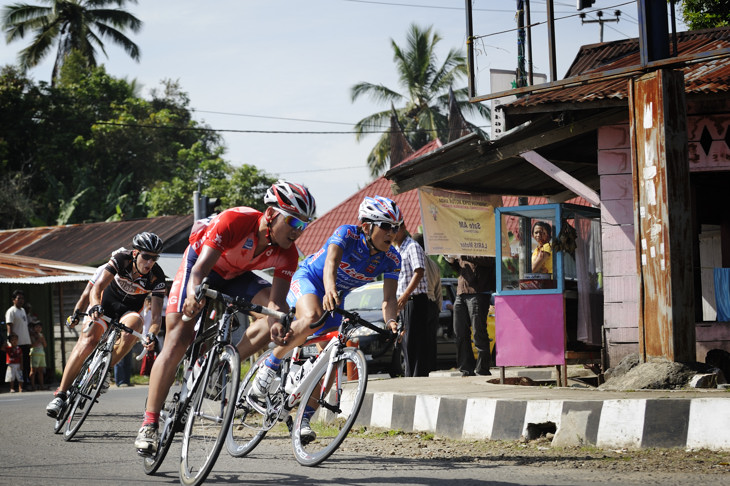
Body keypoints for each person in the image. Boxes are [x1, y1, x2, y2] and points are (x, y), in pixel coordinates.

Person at [135, 180, 316, 456]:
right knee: (178, 338)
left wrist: (277, 323)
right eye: (292, 222)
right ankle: (149, 424)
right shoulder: (235, 220)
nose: (297, 232)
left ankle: (217, 362)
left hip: (236, 276)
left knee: (272, 318)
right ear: (270, 214)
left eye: (303, 225)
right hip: (202, 266)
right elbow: (199, 270)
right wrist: (194, 295)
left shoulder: (288, 255)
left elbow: (276, 302)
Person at [250, 195, 401, 441]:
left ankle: (303, 420)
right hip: (310, 279)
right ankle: (269, 367)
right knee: (312, 316)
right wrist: (330, 289)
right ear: (366, 226)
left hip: (334, 296)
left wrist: (392, 322)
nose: (391, 232)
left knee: (332, 361)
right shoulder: (347, 234)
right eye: (385, 226)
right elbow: (331, 263)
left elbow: (389, 300)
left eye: (395, 227)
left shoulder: (392, 259)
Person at [46, 233, 166, 418]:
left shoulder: (156, 277)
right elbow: (96, 287)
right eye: (146, 256)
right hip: (105, 306)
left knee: (136, 325)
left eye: (154, 258)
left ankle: (104, 370)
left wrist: (151, 334)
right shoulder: (121, 259)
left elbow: (157, 318)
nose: (150, 262)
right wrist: (94, 305)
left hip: (128, 313)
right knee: (88, 341)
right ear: (135, 253)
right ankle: (61, 394)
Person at [445, 255, 495, 377]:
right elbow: (461, 270)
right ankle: (466, 369)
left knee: (479, 332)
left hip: (478, 292)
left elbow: (489, 261)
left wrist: (462, 255)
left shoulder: (481, 243)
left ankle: (482, 369)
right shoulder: (461, 246)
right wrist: (451, 261)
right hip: (461, 292)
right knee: (460, 332)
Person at [394, 223, 429, 377]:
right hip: (404, 300)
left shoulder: (412, 247)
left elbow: (419, 271)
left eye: (394, 229)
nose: (391, 233)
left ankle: (417, 378)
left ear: (402, 228)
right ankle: (410, 376)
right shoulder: (397, 249)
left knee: (415, 342)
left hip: (415, 299)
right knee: (406, 341)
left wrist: (406, 294)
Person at [413, 232, 442, 375]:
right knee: (430, 342)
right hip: (432, 305)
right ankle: (431, 370)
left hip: (419, 303)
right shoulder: (434, 265)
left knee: (416, 342)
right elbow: (438, 292)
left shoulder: (414, 262)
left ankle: (418, 372)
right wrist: (438, 309)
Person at [5, 290, 31, 391]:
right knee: (15, 366)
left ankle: (24, 384)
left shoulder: (23, 311)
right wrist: (11, 342)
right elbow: (9, 326)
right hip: (16, 344)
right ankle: (15, 386)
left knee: (25, 365)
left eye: (22, 299)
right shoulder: (11, 311)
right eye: (18, 298)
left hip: (25, 342)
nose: (21, 301)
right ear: (13, 300)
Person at [29, 322, 47, 391]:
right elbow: (31, 345)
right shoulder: (32, 336)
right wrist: (38, 339)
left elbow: (45, 345)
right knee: (33, 371)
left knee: (40, 371)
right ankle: (32, 386)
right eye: (36, 327)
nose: (38, 329)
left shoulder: (41, 335)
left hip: (41, 353)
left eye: (39, 327)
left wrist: (43, 340)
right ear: (34, 328)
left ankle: (41, 386)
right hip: (34, 353)